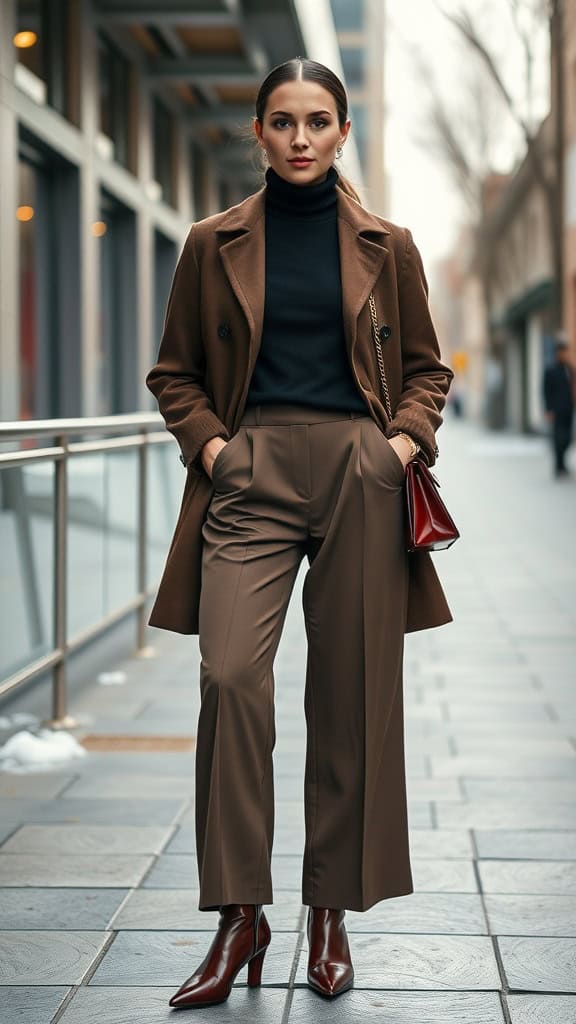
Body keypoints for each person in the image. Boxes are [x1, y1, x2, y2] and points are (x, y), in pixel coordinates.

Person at [145, 57, 455, 1009]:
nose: (300, 139)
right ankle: (241, 917)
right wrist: (213, 453)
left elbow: (426, 370)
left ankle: (330, 911)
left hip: (361, 472)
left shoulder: (387, 243)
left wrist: (399, 443)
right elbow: (175, 375)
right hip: (251, 473)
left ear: (343, 131)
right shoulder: (214, 241)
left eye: (318, 121)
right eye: (282, 122)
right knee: (231, 675)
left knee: (351, 691)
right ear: (259, 132)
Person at [543, 336, 575, 477]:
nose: (565, 354)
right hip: (556, 410)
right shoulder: (550, 371)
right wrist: (548, 409)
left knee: (567, 438)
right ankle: (558, 466)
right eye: (563, 352)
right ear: (557, 353)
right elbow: (545, 391)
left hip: (569, 409)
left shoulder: (570, 369)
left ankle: (562, 464)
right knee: (558, 439)